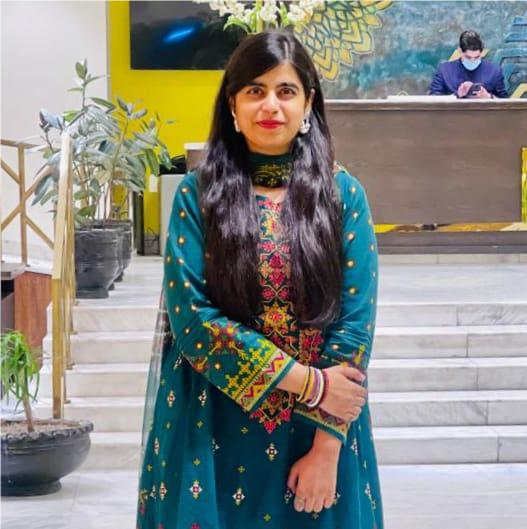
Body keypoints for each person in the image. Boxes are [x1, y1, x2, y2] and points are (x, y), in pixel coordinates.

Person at [136, 30, 383, 529]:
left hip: (314, 432)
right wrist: (312, 384)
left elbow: (354, 326)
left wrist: (326, 449)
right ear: (232, 103)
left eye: (285, 91)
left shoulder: (343, 196)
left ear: (308, 103)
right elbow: (195, 324)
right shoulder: (197, 196)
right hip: (211, 421)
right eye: (255, 90)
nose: (270, 105)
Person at [429, 30, 508, 98]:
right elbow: (433, 101)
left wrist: (489, 97)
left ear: (482, 52)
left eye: (477, 57)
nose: (472, 61)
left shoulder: (494, 71)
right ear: (460, 51)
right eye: (468, 57)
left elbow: (505, 103)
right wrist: (457, 95)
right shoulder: (444, 71)